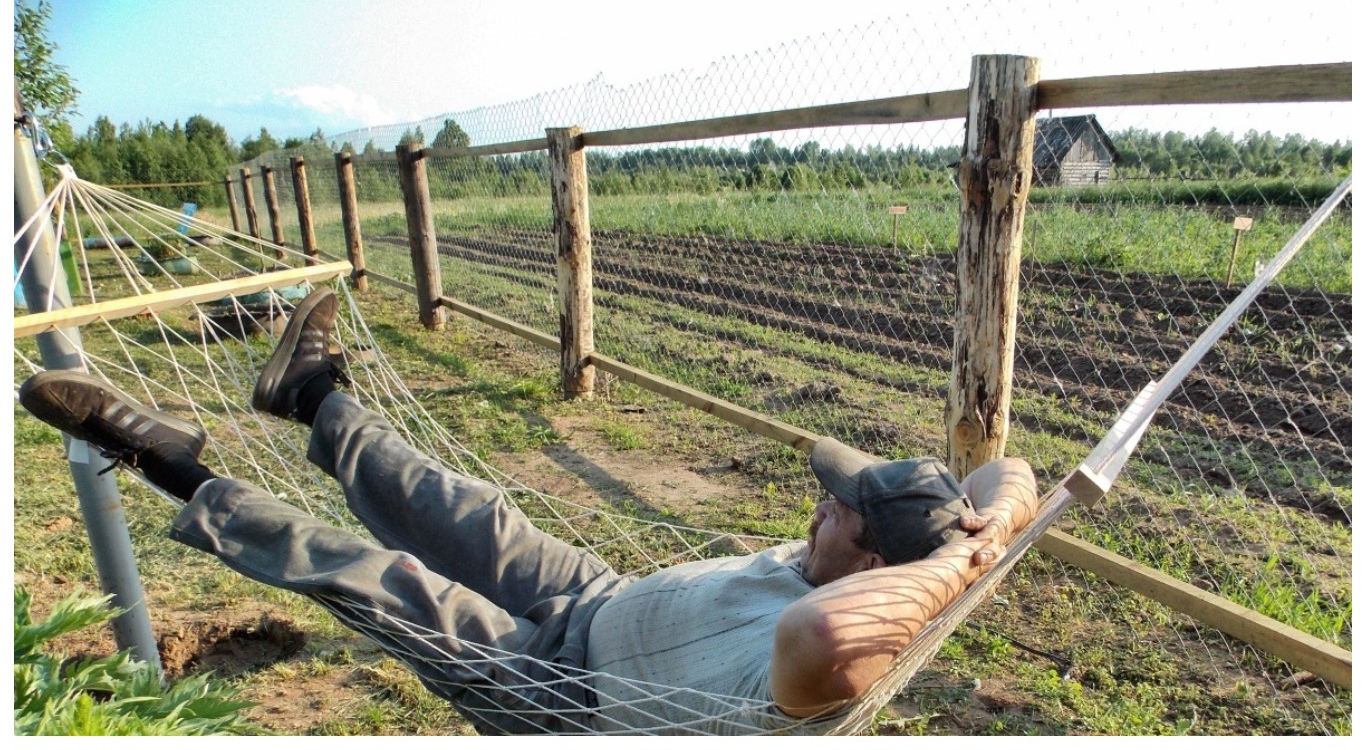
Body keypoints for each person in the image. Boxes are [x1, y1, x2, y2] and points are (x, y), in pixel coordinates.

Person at [17, 288, 1039, 735]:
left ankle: (165, 466)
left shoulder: (832, 669)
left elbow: (824, 628)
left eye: (840, 510)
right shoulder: (867, 558)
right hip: (602, 601)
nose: (818, 503)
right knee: (454, 503)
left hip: (562, 697)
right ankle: (310, 395)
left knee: (373, 577)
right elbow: (1017, 475)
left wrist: (947, 570)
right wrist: (983, 536)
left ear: (877, 571)